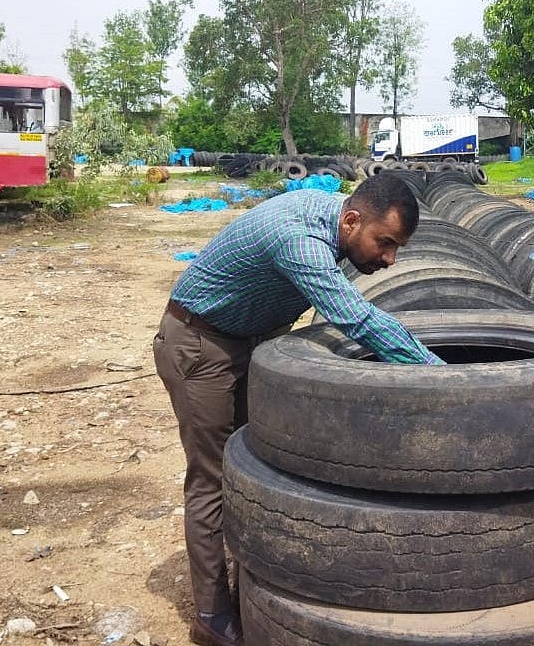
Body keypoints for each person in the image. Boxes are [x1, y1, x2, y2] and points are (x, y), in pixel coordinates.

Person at [152, 173, 444, 646]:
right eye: (385, 243)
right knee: (213, 476)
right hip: (199, 344)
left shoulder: (333, 215)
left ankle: (252, 575)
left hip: (247, 338)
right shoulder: (299, 241)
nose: (389, 260)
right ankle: (211, 614)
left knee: (252, 463)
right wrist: (446, 375)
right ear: (351, 220)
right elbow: (356, 318)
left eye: (396, 249)